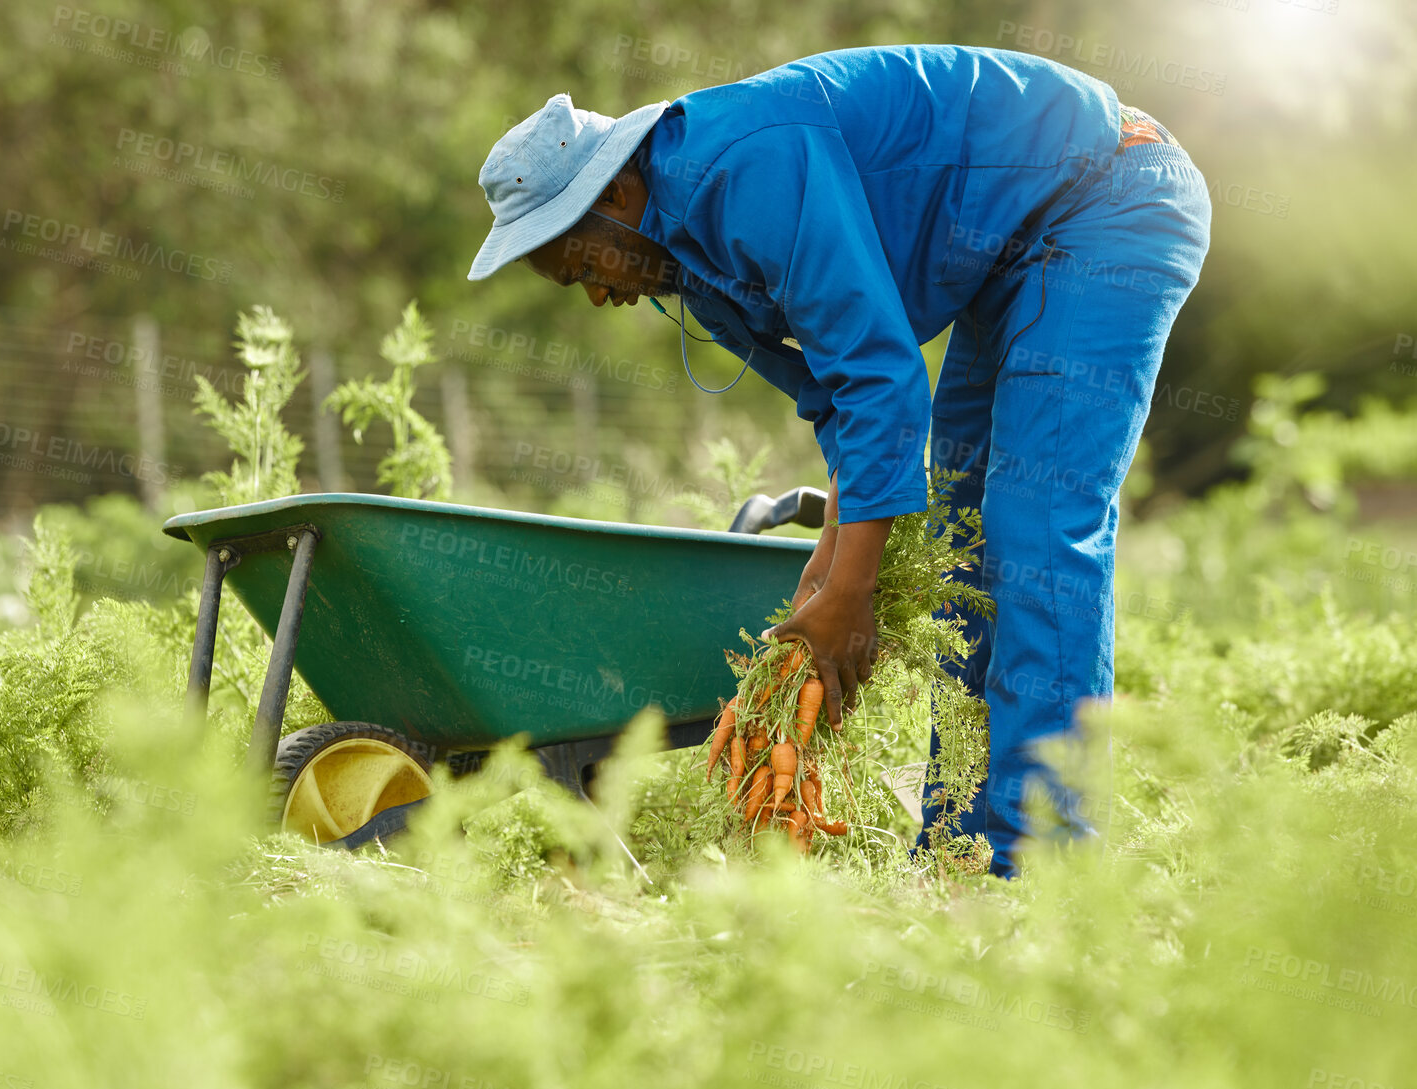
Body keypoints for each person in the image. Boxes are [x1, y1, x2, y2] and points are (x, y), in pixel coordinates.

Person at [464, 45, 1211, 877]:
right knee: (961, 550)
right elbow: (833, 398)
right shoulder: (691, 259)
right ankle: (961, 848)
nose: (599, 295)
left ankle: (1045, 862)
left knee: (1032, 532)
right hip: (1010, 254)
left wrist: (852, 593)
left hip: (1106, 193)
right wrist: (821, 585)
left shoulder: (741, 167)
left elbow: (882, 382)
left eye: (581, 264)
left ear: (614, 194)